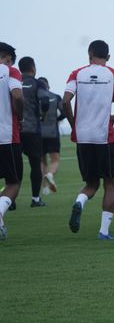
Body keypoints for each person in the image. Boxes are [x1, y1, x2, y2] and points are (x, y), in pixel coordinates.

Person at [63, 40, 114, 240]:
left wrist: (74, 124)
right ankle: (104, 231)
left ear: (89, 55)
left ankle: (80, 202)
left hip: (83, 136)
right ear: (108, 57)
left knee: (91, 184)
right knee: (109, 184)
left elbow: (65, 101)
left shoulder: (76, 73)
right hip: (104, 137)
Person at [0, 42, 25, 240]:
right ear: (7, 58)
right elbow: (17, 96)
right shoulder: (10, 72)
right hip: (6, 136)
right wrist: (21, 117)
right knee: (13, 182)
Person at [18, 56, 50, 207]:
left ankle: (9, 200)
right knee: (35, 164)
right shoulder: (38, 84)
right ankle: (35, 199)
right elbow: (45, 101)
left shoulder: (14, 82)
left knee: (13, 165)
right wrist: (43, 115)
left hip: (15, 130)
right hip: (32, 129)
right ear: (33, 67)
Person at [37, 77, 65, 196]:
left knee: (42, 161)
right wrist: (55, 119)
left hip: (38, 133)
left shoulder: (35, 98)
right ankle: (50, 175)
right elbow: (63, 113)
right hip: (53, 132)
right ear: (48, 86)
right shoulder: (56, 97)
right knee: (55, 159)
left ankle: (45, 189)